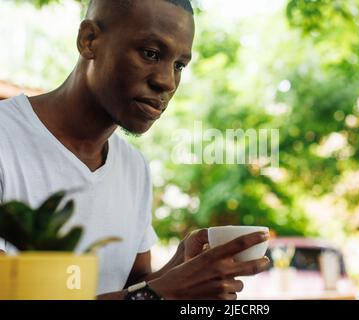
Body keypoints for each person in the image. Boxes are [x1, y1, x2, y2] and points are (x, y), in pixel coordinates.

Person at [0, 0, 270, 300]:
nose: (166, 81)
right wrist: (158, 295)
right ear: (89, 41)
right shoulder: (6, 139)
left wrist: (180, 269)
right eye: (150, 54)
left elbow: (134, 285)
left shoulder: (134, 167)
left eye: (179, 65)